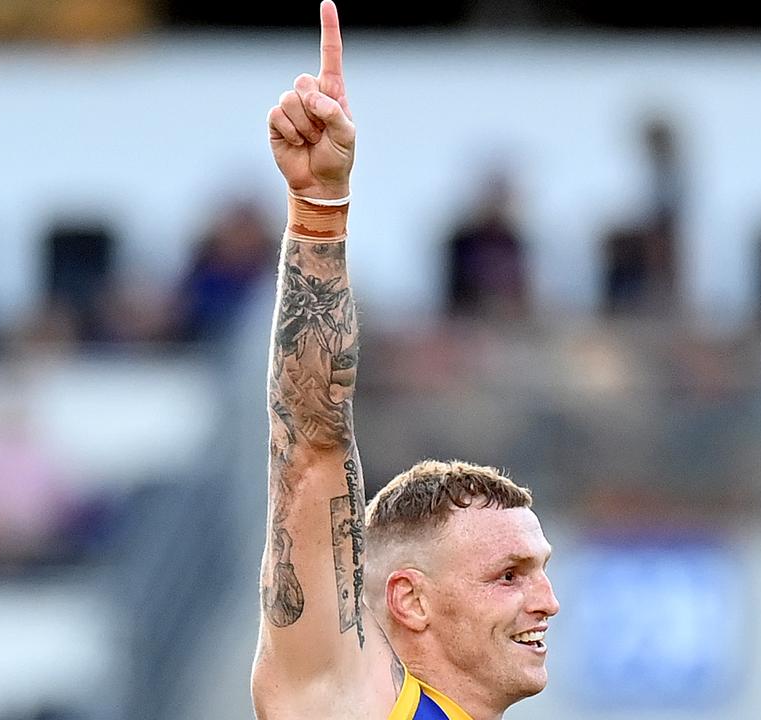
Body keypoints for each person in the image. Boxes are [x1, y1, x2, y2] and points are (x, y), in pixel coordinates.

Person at [250, 3, 560, 720]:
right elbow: (309, 448)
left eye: (539, 571)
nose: (548, 600)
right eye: (509, 576)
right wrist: (319, 208)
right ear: (410, 599)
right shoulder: (344, 699)